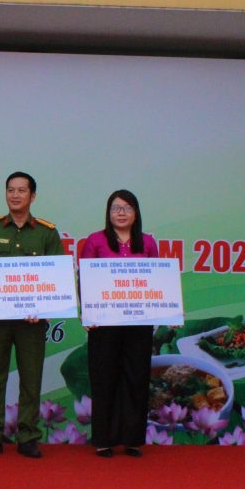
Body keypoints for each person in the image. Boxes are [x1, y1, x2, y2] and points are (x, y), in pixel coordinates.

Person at [0, 172, 64, 458]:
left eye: (22, 190)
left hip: (31, 322)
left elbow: (56, 276)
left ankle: (28, 436)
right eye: (10, 190)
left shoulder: (47, 233)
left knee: (31, 378)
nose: (15, 195)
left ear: (32, 196)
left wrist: (44, 309)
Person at [78, 189, 159, 458]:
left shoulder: (148, 243)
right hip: (104, 325)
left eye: (127, 208)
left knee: (136, 378)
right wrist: (87, 312)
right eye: (115, 208)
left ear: (136, 213)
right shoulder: (96, 241)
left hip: (139, 323)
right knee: (104, 379)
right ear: (108, 212)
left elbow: (157, 280)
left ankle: (133, 439)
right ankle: (104, 439)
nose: (121, 213)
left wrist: (167, 311)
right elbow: (84, 278)